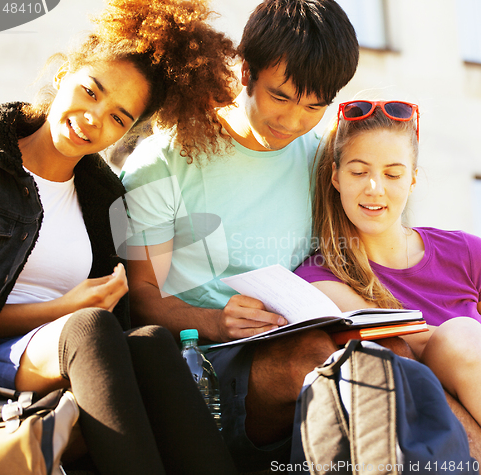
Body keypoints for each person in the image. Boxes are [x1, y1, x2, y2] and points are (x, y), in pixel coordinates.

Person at [0, 0, 239, 474]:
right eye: (90, 90)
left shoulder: (103, 196)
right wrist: (67, 308)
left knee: (152, 343)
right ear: (64, 74)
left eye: (119, 117)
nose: (94, 118)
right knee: (90, 327)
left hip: (63, 355)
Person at [121, 0, 359, 470]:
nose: (293, 122)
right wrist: (214, 322)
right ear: (246, 71)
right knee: (315, 362)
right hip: (202, 366)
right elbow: (140, 296)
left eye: (314, 106)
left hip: (295, 339)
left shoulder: (319, 160)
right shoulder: (162, 159)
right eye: (281, 96)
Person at [294, 99, 481, 454]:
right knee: (460, 333)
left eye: (393, 174)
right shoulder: (317, 277)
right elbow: (411, 341)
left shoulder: (466, 252)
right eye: (358, 171)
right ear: (335, 176)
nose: (375, 188)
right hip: (413, 443)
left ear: (411, 179)